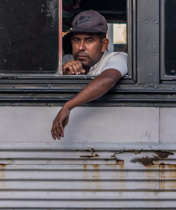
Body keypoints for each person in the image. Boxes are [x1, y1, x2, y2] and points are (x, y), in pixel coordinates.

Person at [51, 10, 129, 140]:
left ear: (103, 45)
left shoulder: (117, 58)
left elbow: (108, 79)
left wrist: (68, 106)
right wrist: (64, 74)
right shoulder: (66, 61)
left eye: (89, 41)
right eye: (76, 40)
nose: (81, 47)